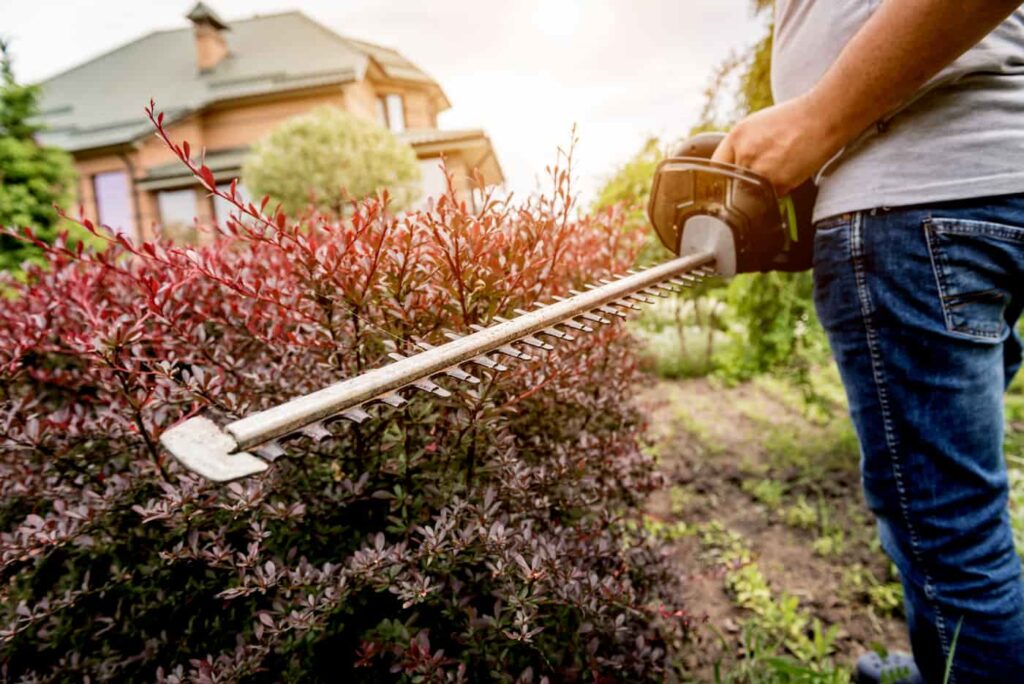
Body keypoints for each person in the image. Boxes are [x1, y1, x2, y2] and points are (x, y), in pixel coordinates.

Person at [712, 1, 1024, 682]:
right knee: (958, 504)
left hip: (917, 197)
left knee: (951, 534)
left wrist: (815, 120)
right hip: (991, 181)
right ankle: (948, 663)